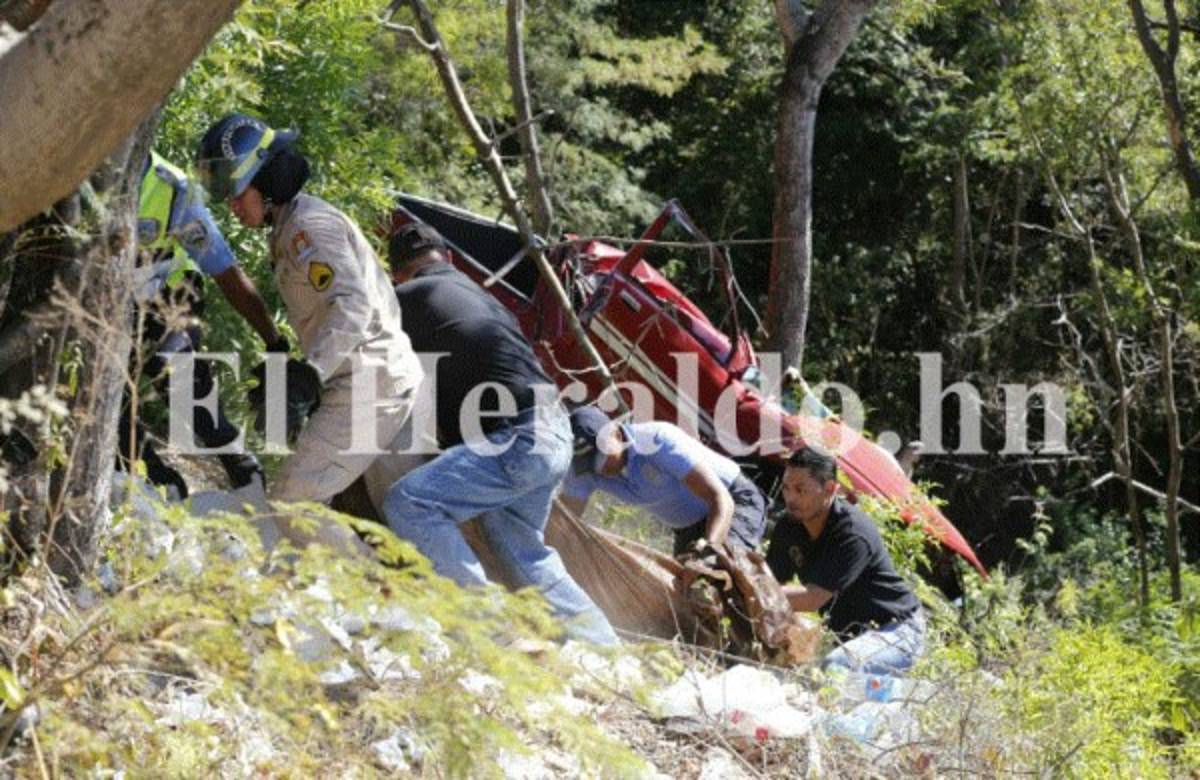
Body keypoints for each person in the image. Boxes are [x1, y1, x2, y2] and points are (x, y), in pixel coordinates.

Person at [381, 222, 617, 646]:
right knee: (522, 551)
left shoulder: (407, 298)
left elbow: (368, 347)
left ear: (397, 274)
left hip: (518, 438)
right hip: (553, 429)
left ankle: (491, 633)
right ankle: (605, 648)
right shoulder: (480, 296)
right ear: (448, 258)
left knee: (410, 502)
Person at [195, 113, 422, 503]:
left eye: (238, 192)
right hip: (370, 381)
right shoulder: (289, 229)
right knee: (381, 519)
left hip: (371, 385)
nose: (232, 206)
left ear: (266, 184)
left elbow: (352, 305)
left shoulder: (310, 228)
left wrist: (309, 375)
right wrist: (290, 363)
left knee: (292, 502)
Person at [120, 148, 276, 496]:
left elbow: (223, 269)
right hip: (108, 307)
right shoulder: (73, 173)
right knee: (108, 401)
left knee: (181, 386)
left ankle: (245, 473)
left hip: (169, 298)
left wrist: (272, 337)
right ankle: (160, 484)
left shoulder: (172, 188)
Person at [766, 446, 926, 675]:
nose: (790, 498)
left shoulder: (853, 532)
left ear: (830, 489)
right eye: (786, 488)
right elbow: (771, 582)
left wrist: (753, 590)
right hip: (850, 635)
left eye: (801, 490)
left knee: (838, 667)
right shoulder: (789, 525)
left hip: (898, 629)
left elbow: (811, 599)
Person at [562, 405, 767, 559]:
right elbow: (564, 523)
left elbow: (721, 499)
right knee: (685, 603)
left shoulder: (657, 441)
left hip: (732, 501)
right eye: (591, 465)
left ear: (615, 433)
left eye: (601, 457)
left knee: (724, 572)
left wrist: (709, 551)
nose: (600, 469)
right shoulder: (585, 469)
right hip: (688, 527)